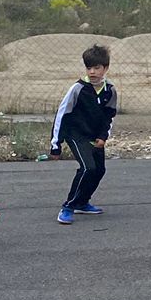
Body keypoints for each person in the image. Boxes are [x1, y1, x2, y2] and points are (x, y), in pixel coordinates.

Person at [52, 44, 117, 225]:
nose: (93, 71)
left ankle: (82, 202)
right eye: (89, 68)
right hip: (76, 135)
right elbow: (61, 114)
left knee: (99, 170)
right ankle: (68, 207)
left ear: (105, 68)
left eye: (97, 68)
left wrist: (103, 136)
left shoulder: (110, 90)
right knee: (88, 168)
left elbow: (109, 116)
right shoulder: (77, 89)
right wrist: (55, 144)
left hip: (94, 137)